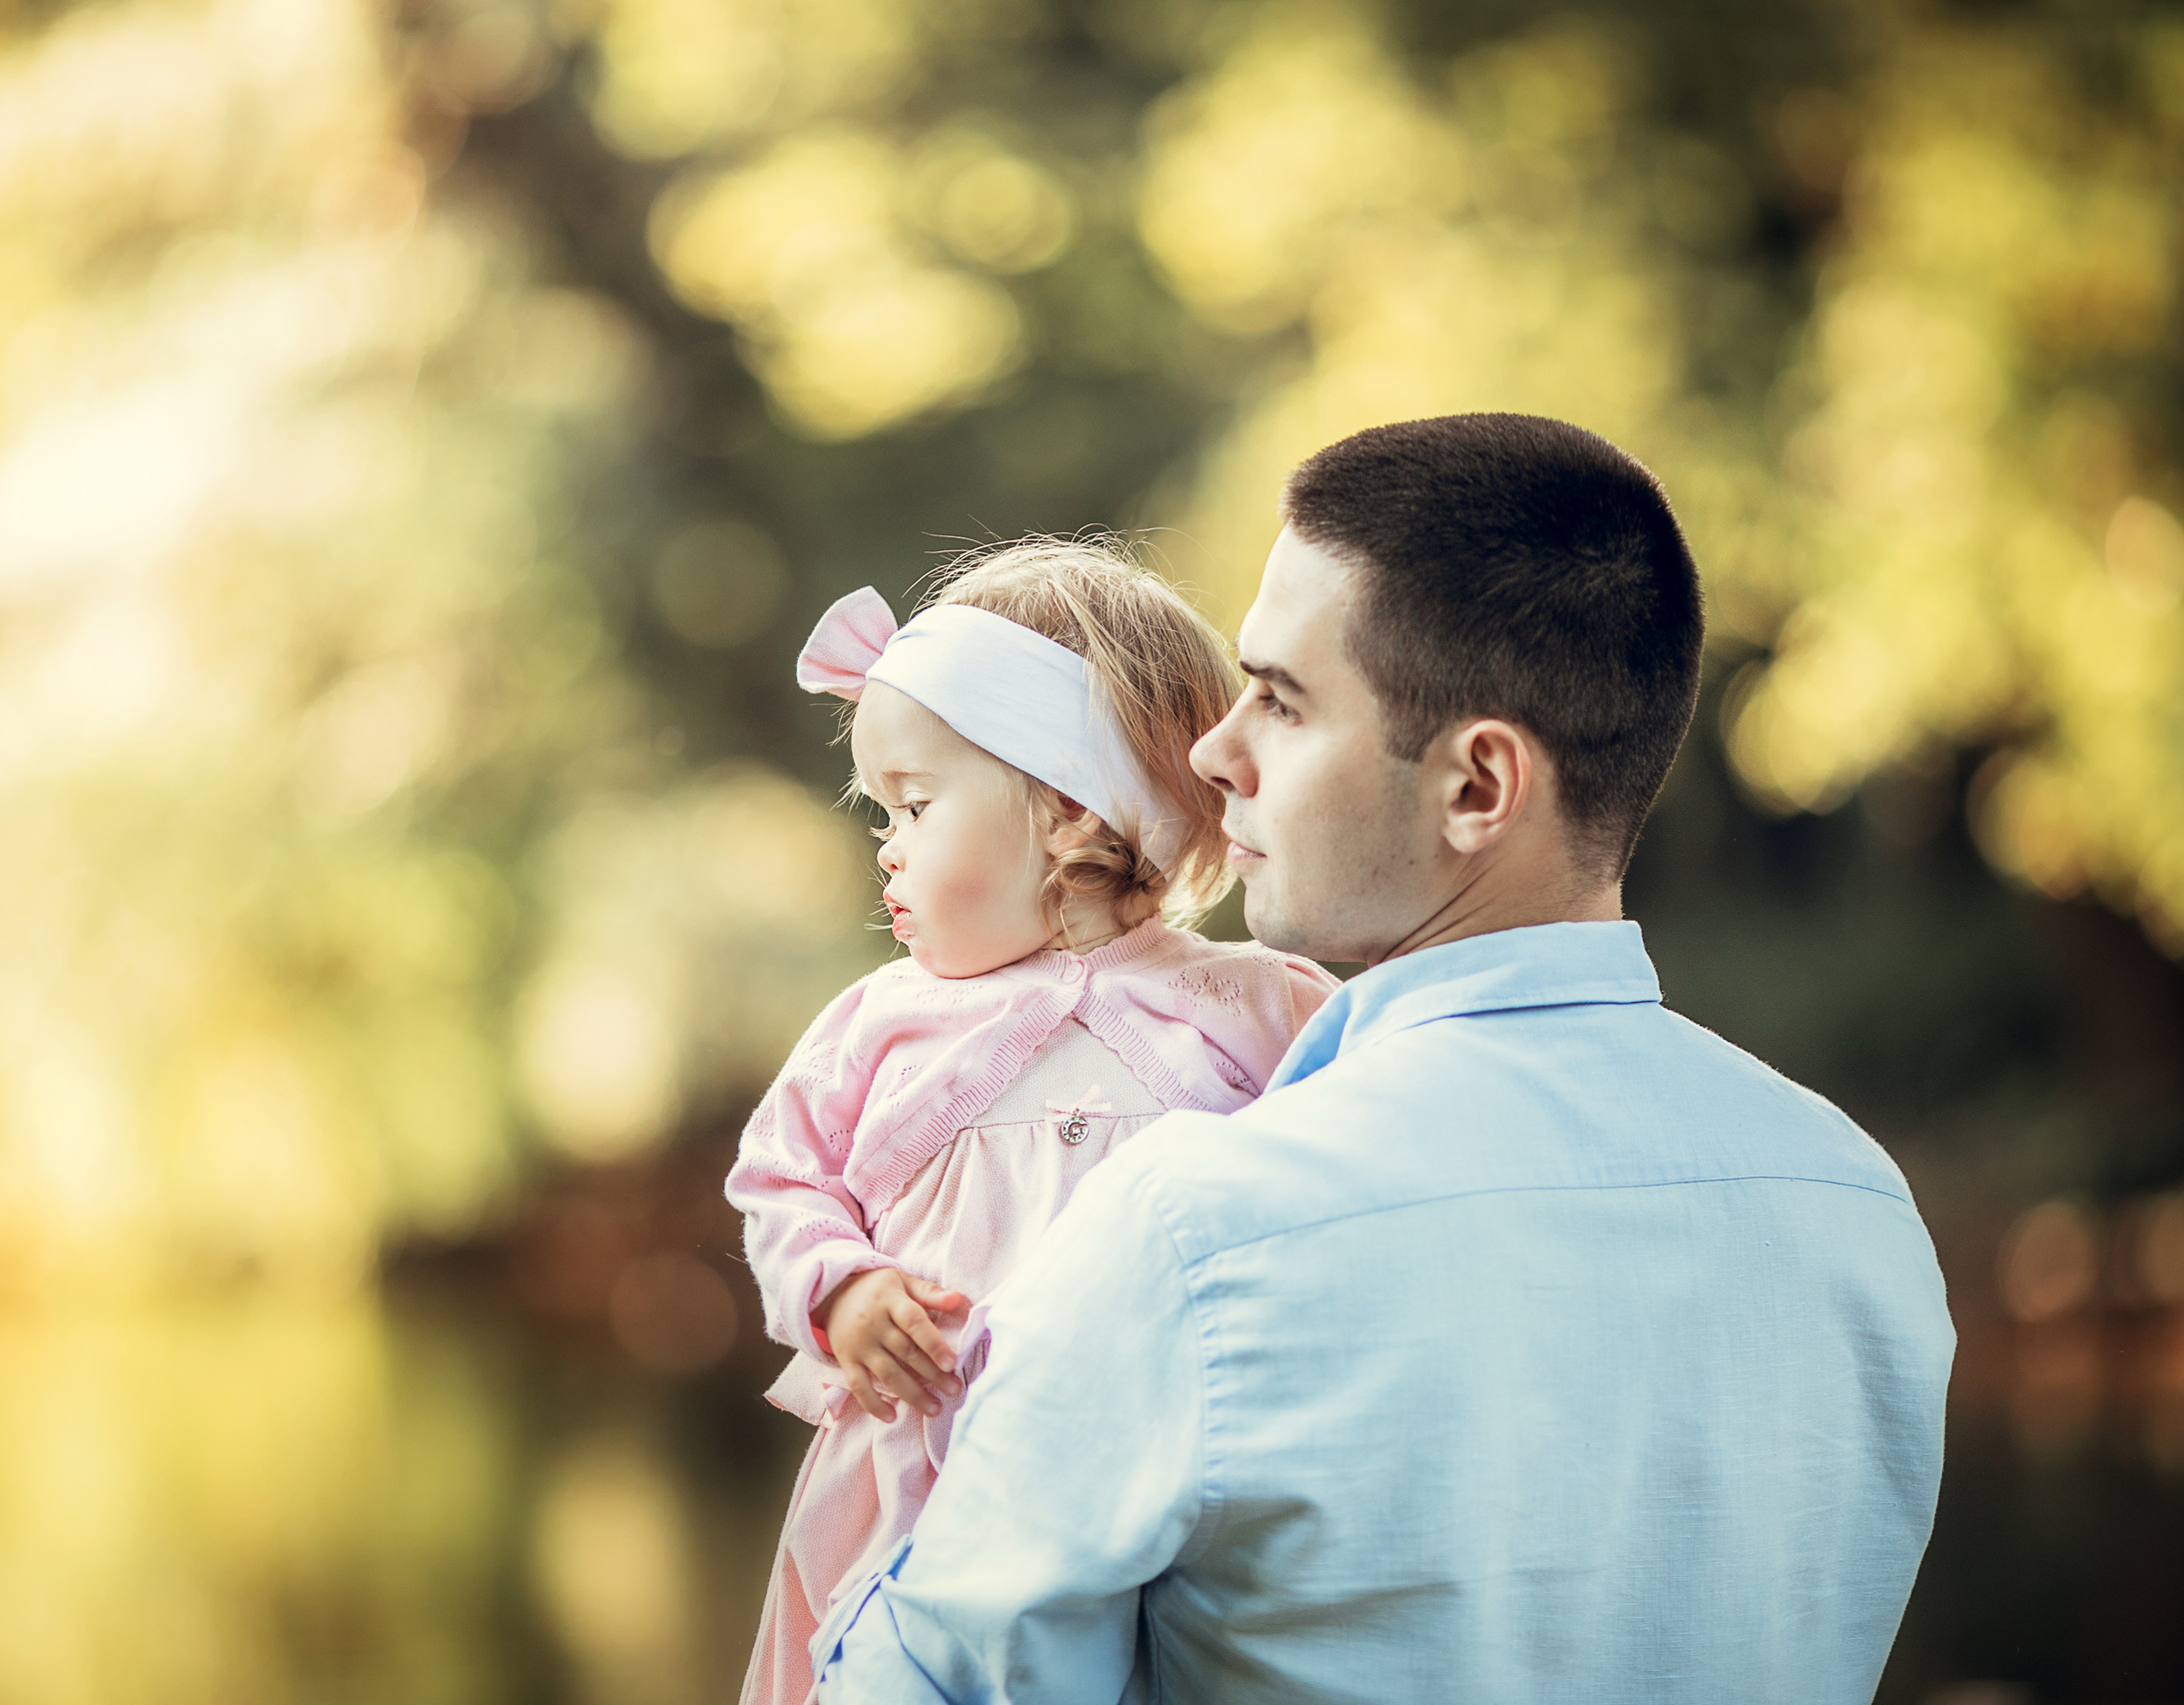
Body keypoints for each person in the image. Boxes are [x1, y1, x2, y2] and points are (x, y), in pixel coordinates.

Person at [811, 415, 1956, 1703]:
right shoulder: (1858, 1213)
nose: (1210, 751)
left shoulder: (1199, 1228)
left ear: (1477, 787)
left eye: (1281, 703)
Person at [728, 538, 1338, 1705]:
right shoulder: (876, 1027)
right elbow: (781, 1182)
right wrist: (842, 1289)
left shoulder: (1263, 1008)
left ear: (1066, 811)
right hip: (917, 1482)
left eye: (912, 803)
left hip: (1173, 1489)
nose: (884, 843)